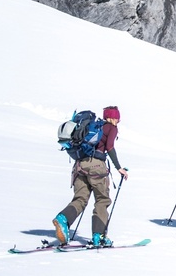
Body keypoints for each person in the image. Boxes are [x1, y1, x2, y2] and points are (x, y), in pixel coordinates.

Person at [53, 106, 129, 247]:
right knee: (102, 200)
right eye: (117, 118)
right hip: (96, 166)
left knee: (80, 199)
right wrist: (119, 167)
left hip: (79, 165)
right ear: (112, 118)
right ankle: (98, 236)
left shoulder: (93, 127)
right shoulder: (111, 128)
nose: (118, 121)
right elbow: (110, 147)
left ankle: (63, 218)